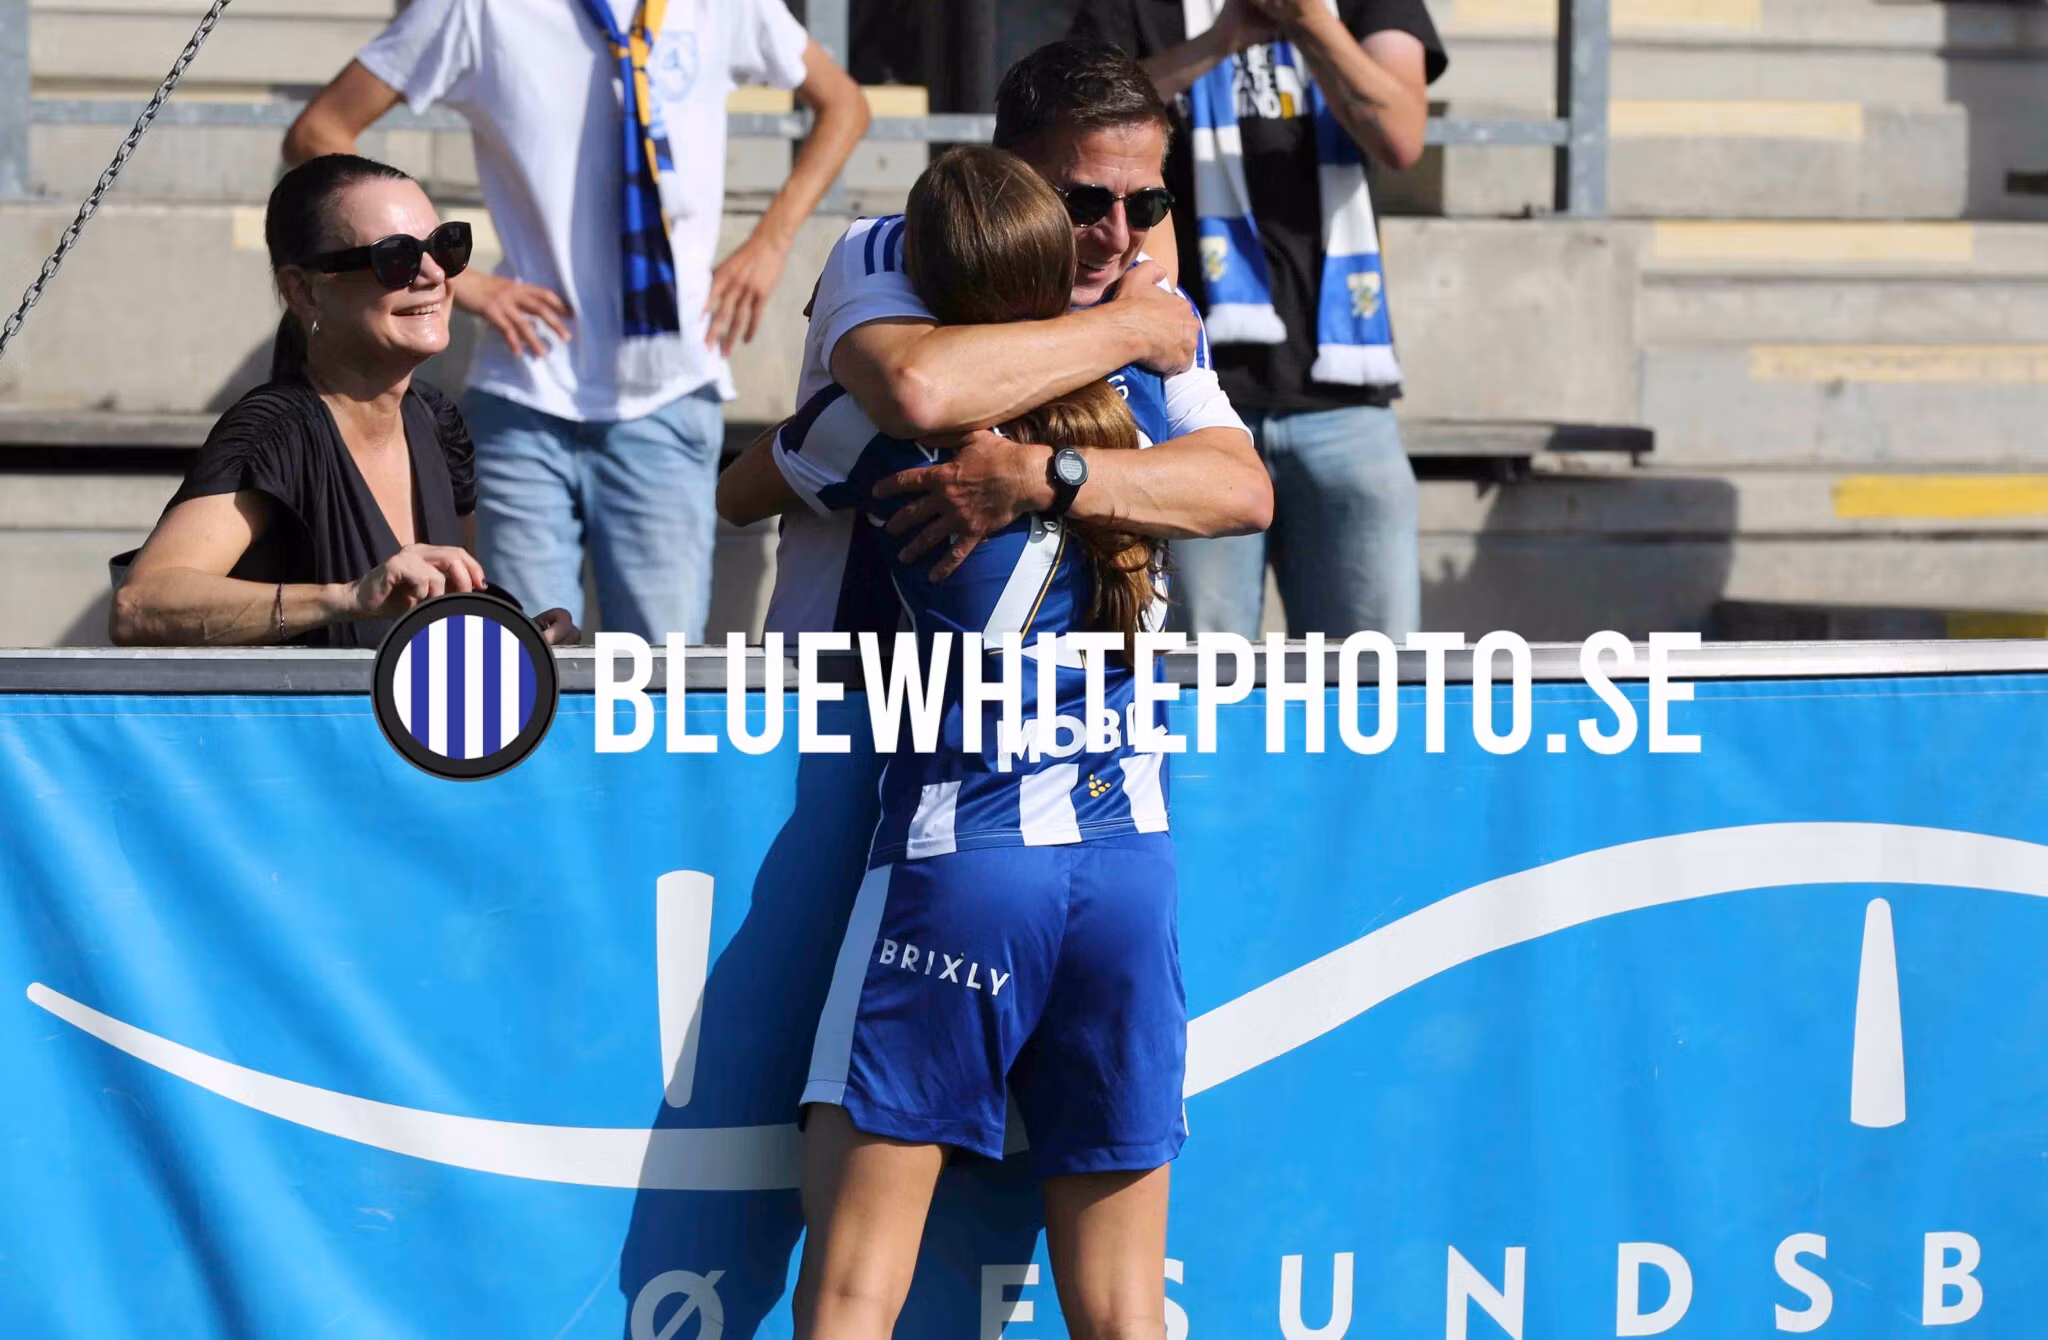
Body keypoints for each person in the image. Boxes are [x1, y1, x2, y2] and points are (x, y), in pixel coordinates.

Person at [718, 144, 1210, 1340]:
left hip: (964, 859)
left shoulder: (880, 427)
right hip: (1130, 866)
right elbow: (1242, 486)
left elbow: (736, 493)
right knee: (1125, 1310)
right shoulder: (1139, 416)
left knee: (845, 1296)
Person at [282, 0, 869, 643]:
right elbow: (320, 131)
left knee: (655, 679)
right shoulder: (478, 10)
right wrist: (454, 275)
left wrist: (771, 243)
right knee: (525, 670)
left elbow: (845, 105)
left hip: (669, 390)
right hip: (526, 397)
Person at [759, 38, 1272, 641]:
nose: (1115, 237)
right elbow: (915, 392)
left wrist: (1045, 477)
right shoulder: (888, 251)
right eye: (1084, 203)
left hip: (1082, 721)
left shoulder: (1149, 299)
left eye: (1146, 205)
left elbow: (1241, 491)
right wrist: (1126, 329)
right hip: (852, 693)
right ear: (1010, 177)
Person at [1072, 0, 1447, 639]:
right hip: (1185, 397)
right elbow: (1082, 128)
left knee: (1377, 680)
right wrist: (1220, 42)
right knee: (1201, 678)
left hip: (1343, 395)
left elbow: (1401, 135)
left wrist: (1311, 22)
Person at [110, 156, 577, 649]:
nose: (433, 273)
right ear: (305, 290)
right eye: (395, 258)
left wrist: (517, 636)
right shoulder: (277, 430)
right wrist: (348, 597)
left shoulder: (438, 420)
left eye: (447, 246)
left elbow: (441, 625)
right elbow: (140, 605)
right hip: (307, 726)